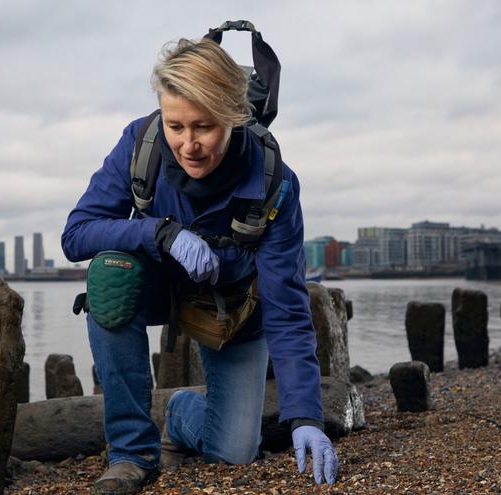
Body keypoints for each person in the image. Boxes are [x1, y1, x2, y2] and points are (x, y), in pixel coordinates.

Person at [62, 37, 339, 495]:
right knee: (110, 273)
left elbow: (287, 309)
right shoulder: (140, 144)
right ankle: (132, 453)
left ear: (235, 117)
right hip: (153, 288)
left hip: (229, 309)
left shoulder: (276, 186)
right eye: (175, 126)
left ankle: (179, 412)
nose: (187, 145)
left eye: (203, 127)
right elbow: (77, 235)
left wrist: (306, 418)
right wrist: (159, 233)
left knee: (233, 453)